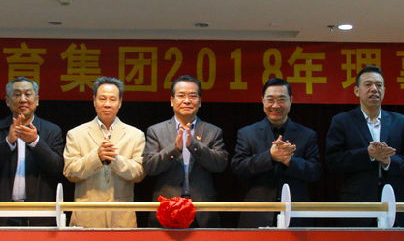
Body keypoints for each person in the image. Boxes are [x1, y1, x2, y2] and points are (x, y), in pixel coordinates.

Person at [325, 65, 404, 225]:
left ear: (384, 90)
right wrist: (367, 154)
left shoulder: (401, 121)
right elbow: (333, 161)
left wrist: (388, 161)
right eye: (368, 84)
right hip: (357, 204)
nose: (374, 89)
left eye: (379, 85)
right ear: (357, 91)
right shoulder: (342, 121)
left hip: (394, 203)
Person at [231, 78, 322, 228]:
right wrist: (270, 157)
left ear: (291, 100)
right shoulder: (247, 133)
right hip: (257, 215)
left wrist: (289, 161)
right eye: (270, 100)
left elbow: (315, 172)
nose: (275, 105)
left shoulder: (307, 134)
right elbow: (238, 168)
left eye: (281, 99)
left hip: (296, 215)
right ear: (262, 101)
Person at [143, 75, 228, 228]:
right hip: (167, 208)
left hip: (202, 210)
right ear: (172, 100)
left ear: (200, 101)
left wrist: (194, 145)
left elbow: (220, 164)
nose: (187, 101)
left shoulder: (213, 131)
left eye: (193, 96)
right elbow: (149, 167)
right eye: (181, 96)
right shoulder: (156, 131)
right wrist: (174, 149)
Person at [0, 77, 64, 225]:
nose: (23, 99)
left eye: (28, 94)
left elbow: (57, 167)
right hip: (2, 212)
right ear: (7, 101)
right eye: (17, 95)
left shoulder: (51, 130)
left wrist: (35, 142)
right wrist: (8, 142)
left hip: (39, 213)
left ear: (37, 100)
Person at [63, 77, 145, 228]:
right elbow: (70, 172)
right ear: (94, 101)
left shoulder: (135, 135)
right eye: (102, 99)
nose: (107, 104)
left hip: (122, 218)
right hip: (87, 218)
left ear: (120, 102)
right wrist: (97, 158)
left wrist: (115, 159)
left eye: (112, 99)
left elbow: (139, 174)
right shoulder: (76, 134)